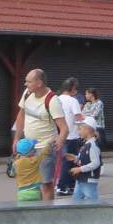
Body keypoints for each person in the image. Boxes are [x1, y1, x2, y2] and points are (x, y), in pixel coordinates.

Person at [12, 69, 67, 203]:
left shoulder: (52, 100)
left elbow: (64, 128)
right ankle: (34, 209)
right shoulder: (27, 93)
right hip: (28, 147)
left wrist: (60, 140)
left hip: (45, 147)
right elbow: (21, 116)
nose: (25, 84)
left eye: (29, 81)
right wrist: (16, 139)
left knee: (45, 183)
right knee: (30, 184)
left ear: (39, 83)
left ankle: (47, 211)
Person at [54, 77, 84, 198]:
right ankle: (62, 187)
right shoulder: (73, 101)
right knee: (70, 162)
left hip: (58, 136)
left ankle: (69, 186)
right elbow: (79, 117)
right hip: (71, 136)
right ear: (72, 88)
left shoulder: (56, 99)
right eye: (76, 88)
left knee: (63, 162)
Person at [69, 122, 103, 203]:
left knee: (91, 200)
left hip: (88, 179)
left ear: (87, 130)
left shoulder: (92, 145)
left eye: (80, 129)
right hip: (81, 178)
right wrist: (75, 158)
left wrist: (80, 169)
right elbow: (85, 159)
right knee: (76, 200)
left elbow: (95, 163)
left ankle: (95, 211)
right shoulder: (86, 145)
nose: (78, 132)